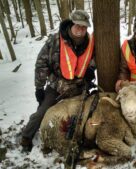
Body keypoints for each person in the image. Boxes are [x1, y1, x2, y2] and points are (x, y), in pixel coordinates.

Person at [20, 10, 96, 152]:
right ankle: (26, 137)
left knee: (83, 116)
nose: (81, 30)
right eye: (78, 26)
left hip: (79, 87)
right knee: (42, 112)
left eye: (84, 27)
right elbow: (41, 64)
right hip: (57, 86)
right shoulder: (55, 41)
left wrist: (91, 68)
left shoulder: (90, 42)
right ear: (71, 24)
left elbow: (95, 59)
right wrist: (39, 87)